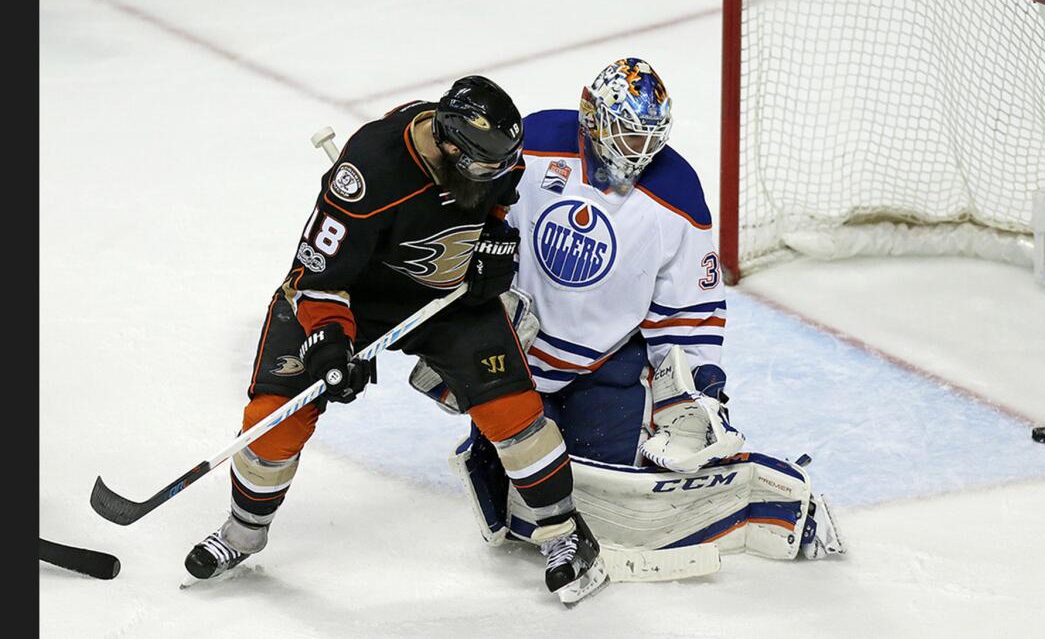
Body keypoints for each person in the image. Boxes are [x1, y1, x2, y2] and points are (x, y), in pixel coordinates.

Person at [185, 75, 609, 606]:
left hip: (444, 295)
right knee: (274, 418)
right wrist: (331, 346)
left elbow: (499, 199)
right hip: (349, 297)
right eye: (482, 165)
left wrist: (495, 244)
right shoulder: (369, 171)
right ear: (450, 146)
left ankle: (565, 534)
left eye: (504, 162)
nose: (497, 172)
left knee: (515, 414)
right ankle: (242, 533)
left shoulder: (491, 152)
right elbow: (314, 277)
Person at [413, 58, 845, 562]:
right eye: (626, 135)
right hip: (515, 354)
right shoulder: (530, 144)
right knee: (522, 494)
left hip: (606, 363)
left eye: (648, 139)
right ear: (591, 115)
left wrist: (698, 390)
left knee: (603, 490)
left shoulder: (676, 193)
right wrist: (453, 330)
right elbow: (460, 211)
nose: (637, 152)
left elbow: (689, 304)